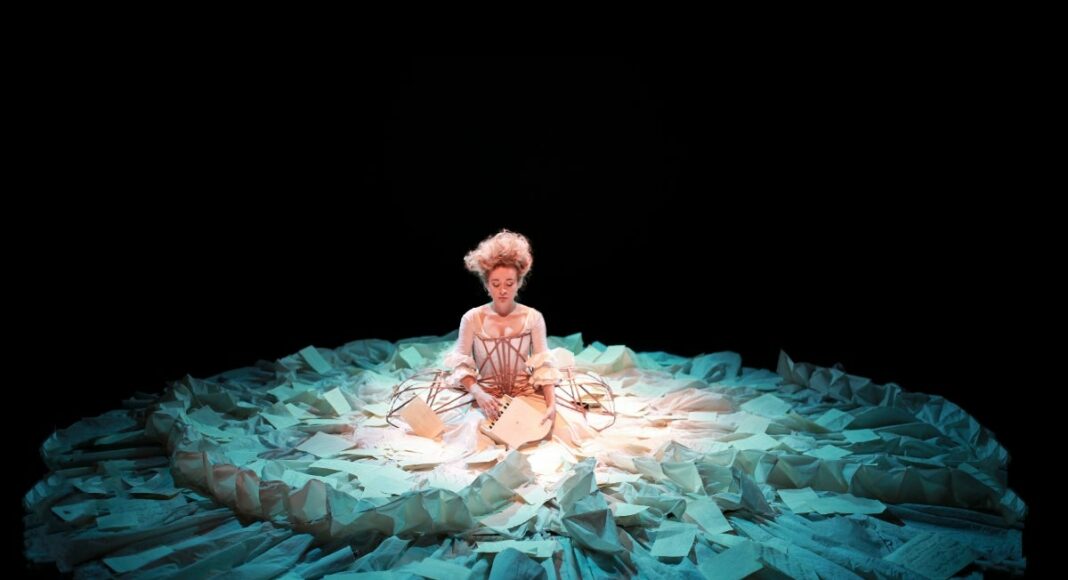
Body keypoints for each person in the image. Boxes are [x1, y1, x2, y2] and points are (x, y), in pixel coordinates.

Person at [443, 230, 562, 434]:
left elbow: (544, 365)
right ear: (486, 285)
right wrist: (479, 394)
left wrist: (552, 405)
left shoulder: (533, 317)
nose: (503, 290)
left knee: (544, 431)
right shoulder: (471, 318)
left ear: (519, 283)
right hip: (485, 397)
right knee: (473, 435)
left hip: (525, 393)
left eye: (509, 283)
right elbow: (461, 365)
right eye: (496, 284)